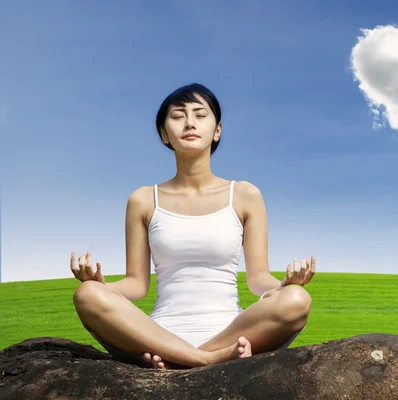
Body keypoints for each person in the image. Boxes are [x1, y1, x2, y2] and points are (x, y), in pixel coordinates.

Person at [70, 83, 316, 370]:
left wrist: (284, 285)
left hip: (232, 331)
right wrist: (101, 285)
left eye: (200, 115)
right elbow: (137, 284)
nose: (189, 123)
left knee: (297, 300)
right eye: (177, 116)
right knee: (86, 294)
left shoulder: (245, 195)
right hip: (160, 331)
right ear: (164, 134)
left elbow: (257, 279)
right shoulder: (143, 199)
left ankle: (181, 360)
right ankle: (206, 359)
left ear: (218, 130)